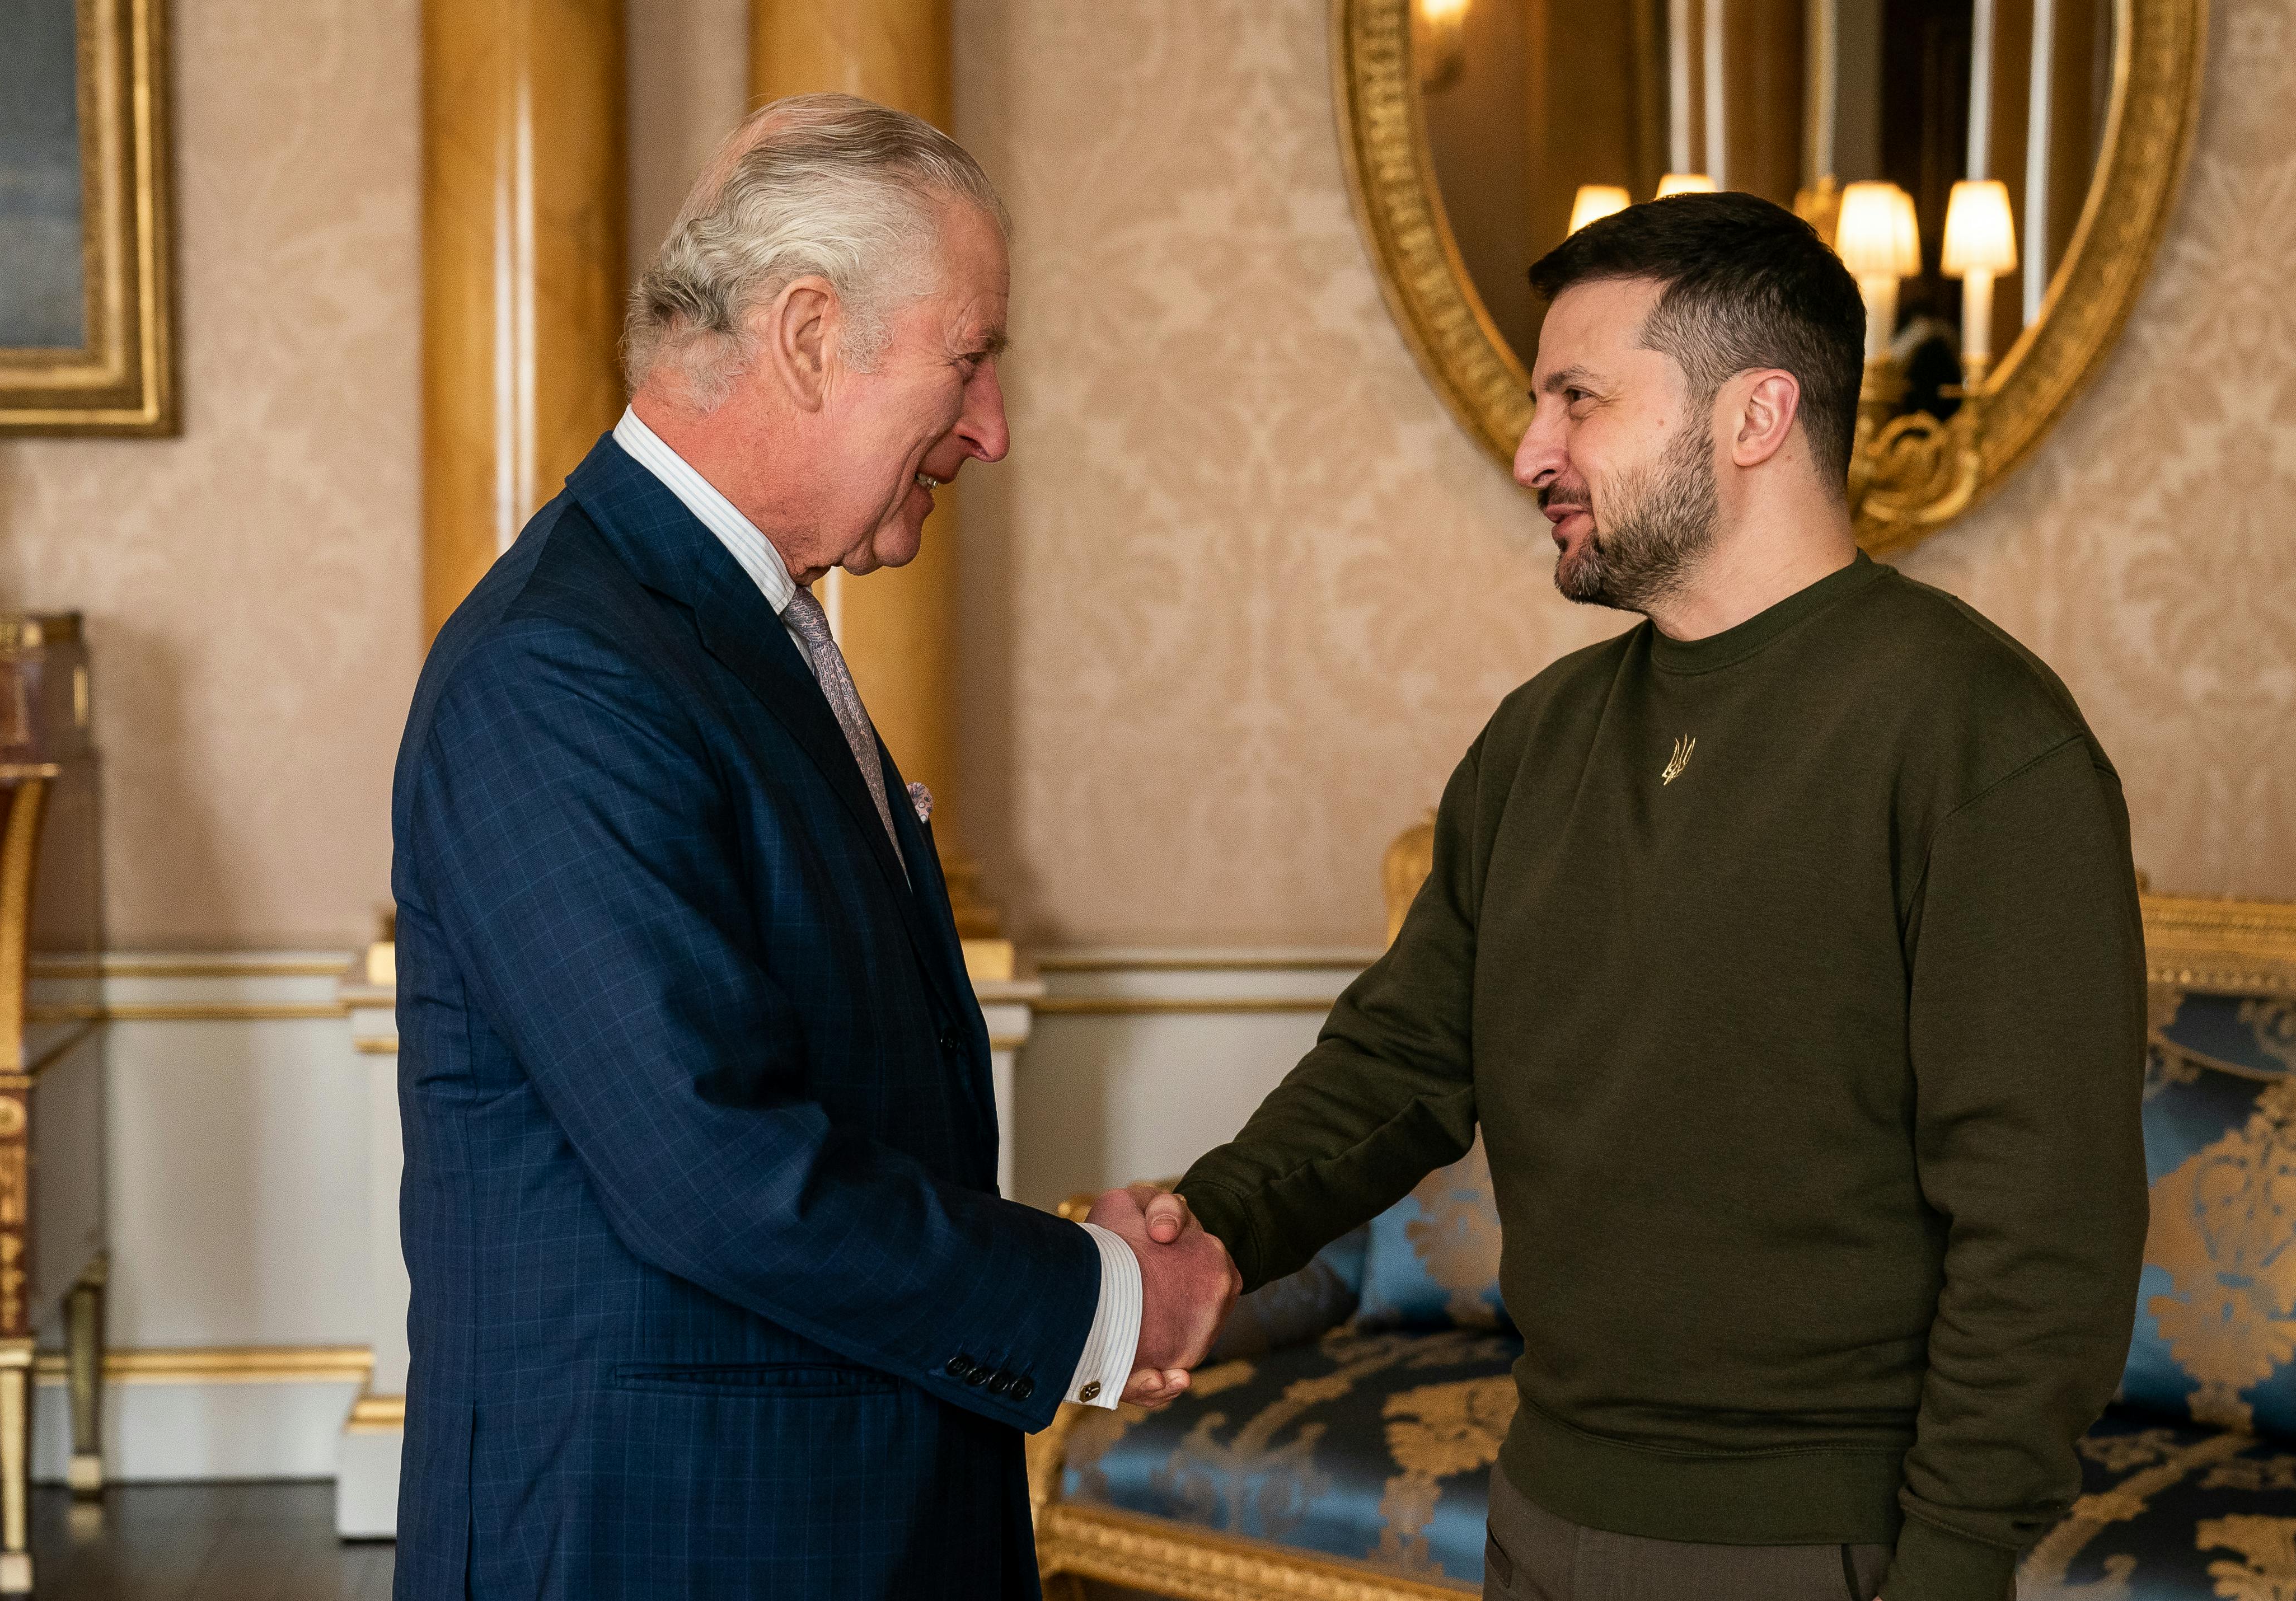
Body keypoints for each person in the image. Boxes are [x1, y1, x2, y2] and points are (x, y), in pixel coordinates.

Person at [1121, 193, 2149, 1601]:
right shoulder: (1536, 737)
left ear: (1752, 415)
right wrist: (1209, 1230)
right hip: (1542, 1506)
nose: (1530, 447)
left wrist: (1953, 1562)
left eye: (1577, 399)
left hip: (1821, 1543)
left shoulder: (1976, 735)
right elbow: (1399, 1062)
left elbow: (2045, 1224)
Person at [388, 95, 1234, 1600]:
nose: (992, 425)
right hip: (664, 1537)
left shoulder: (722, 626)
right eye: (970, 359)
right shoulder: (562, 669)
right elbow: (717, 1170)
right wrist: (1101, 1300)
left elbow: (843, 1088)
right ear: (803, 336)